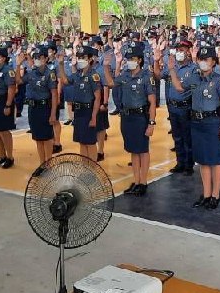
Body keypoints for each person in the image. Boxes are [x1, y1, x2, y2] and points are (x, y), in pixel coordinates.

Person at [167, 45, 220, 210]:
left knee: (215, 161)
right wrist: (172, 70)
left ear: (213, 62)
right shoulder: (194, 78)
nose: (203, 62)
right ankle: (206, 193)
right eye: (200, 59)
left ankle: (215, 195)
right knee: (202, 160)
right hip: (196, 123)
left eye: (206, 59)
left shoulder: (218, 80)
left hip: (212, 123)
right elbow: (180, 87)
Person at [104, 42, 157, 196]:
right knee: (133, 150)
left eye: (132, 58)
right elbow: (111, 83)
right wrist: (107, 66)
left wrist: (152, 123)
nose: (129, 61)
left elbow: (153, 102)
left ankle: (143, 182)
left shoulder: (147, 77)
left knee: (143, 150)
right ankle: (136, 180)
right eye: (128, 59)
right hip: (127, 117)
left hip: (141, 117)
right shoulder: (125, 76)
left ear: (139, 60)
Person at [156, 39, 195, 176]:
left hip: (186, 107)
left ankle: (189, 164)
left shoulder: (193, 68)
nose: (179, 53)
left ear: (188, 52)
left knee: (187, 137)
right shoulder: (172, 66)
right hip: (173, 107)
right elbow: (158, 75)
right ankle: (180, 162)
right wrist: (156, 60)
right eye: (178, 50)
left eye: (182, 50)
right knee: (177, 137)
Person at [56, 45, 102, 160]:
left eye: (84, 57)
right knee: (81, 141)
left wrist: (94, 117)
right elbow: (66, 81)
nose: (81, 60)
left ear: (90, 59)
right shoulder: (77, 74)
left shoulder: (93, 75)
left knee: (90, 142)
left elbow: (97, 98)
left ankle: (93, 169)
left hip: (89, 111)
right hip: (78, 111)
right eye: (79, 57)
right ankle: (84, 167)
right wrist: (61, 65)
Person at [21, 46, 59, 166]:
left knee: (46, 138)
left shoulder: (50, 73)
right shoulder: (32, 73)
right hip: (33, 108)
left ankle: (48, 162)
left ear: (46, 59)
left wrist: (53, 114)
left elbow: (54, 94)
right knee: (37, 137)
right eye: (35, 57)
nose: (37, 60)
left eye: (40, 57)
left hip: (44, 108)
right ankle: (42, 163)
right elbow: (18, 81)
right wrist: (18, 66)